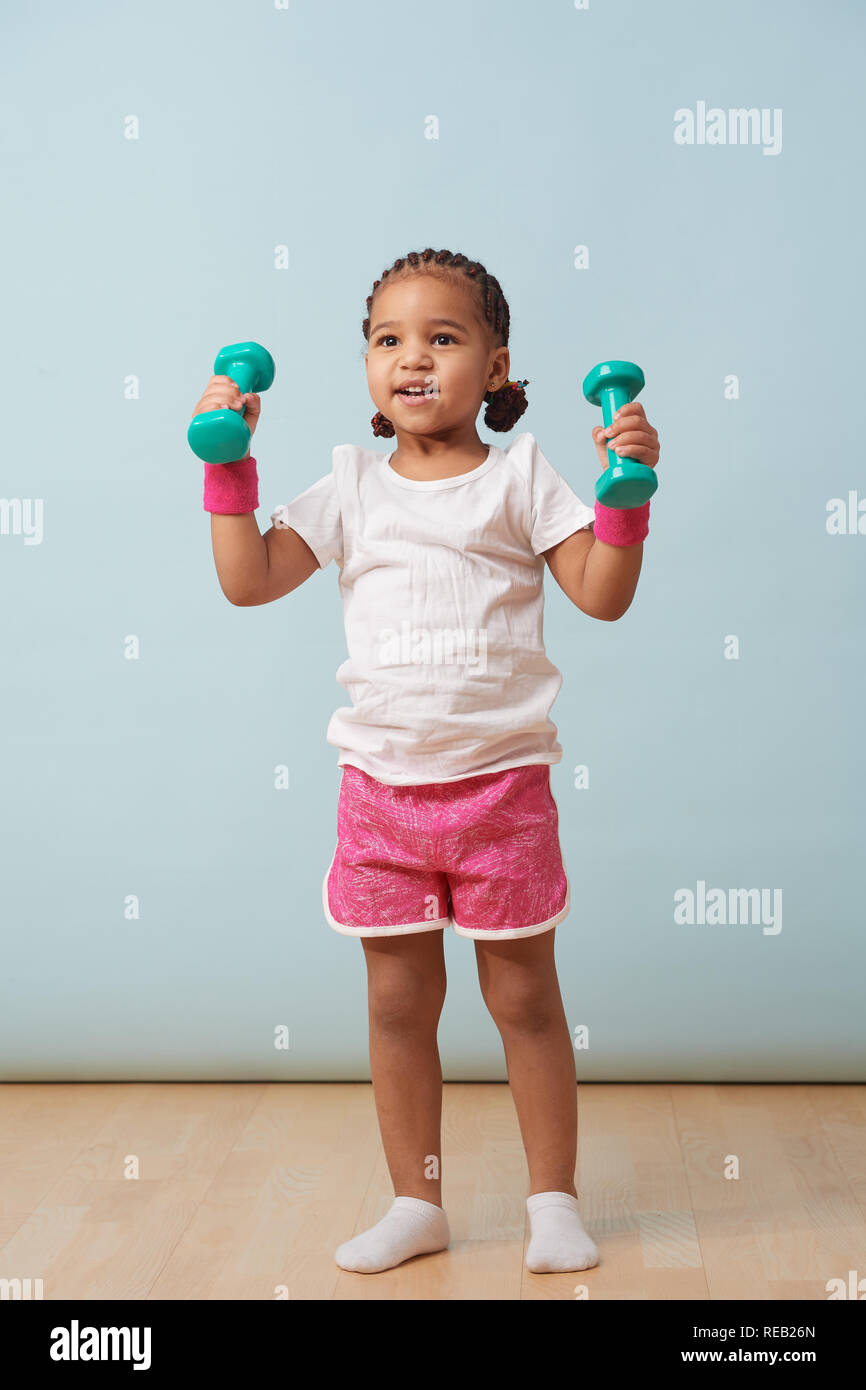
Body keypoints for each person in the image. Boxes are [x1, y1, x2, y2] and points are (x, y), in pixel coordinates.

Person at [195, 246, 660, 1275]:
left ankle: (551, 1203)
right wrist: (228, 470)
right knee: (397, 1006)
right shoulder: (350, 486)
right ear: (366, 365)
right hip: (380, 798)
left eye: (442, 338)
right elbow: (249, 580)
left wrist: (625, 496)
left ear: (495, 367)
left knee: (525, 1000)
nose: (413, 358)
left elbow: (602, 591)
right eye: (387, 340)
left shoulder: (521, 478)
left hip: (501, 789)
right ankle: (418, 1201)